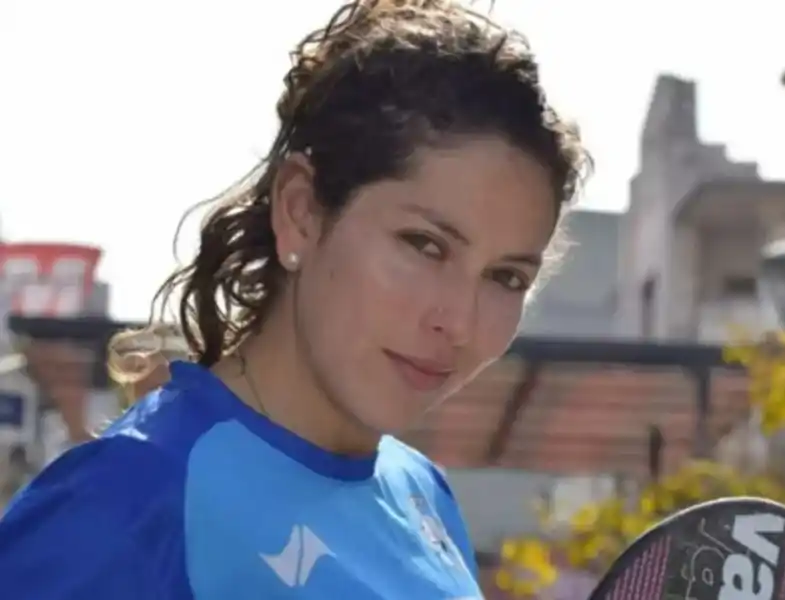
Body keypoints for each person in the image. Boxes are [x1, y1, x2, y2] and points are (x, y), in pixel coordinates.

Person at [0, 0, 589, 597]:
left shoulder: (423, 496)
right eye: (425, 245)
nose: (459, 321)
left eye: (506, 277)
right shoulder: (126, 502)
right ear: (301, 212)